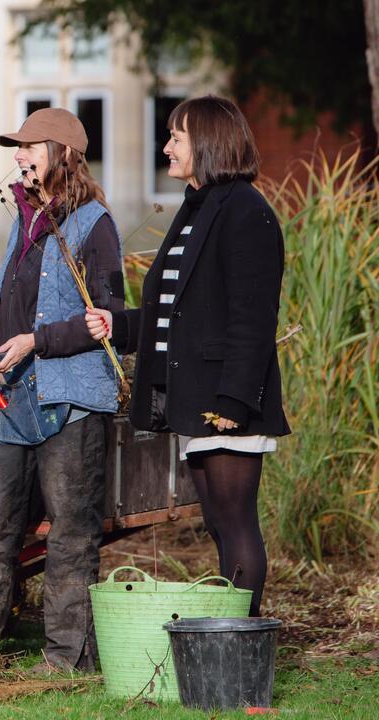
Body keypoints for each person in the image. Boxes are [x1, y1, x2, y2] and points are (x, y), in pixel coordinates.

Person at [0, 108, 125, 673]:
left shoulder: (96, 225)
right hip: (12, 398)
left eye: (29, 147)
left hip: (71, 402)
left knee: (70, 534)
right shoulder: (26, 216)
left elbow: (109, 316)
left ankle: (67, 659)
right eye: (16, 148)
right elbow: (18, 301)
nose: (18, 156)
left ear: (62, 153)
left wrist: (36, 341)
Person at [86, 95, 289, 617]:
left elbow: (253, 318)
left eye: (176, 136)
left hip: (226, 400)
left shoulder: (245, 210)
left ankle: (236, 644)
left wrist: (233, 402)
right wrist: (122, 325)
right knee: (220, 522)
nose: (166, 146)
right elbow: (178, 309)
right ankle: (226, 640)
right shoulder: (199, 207)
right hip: (199, 394)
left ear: (207, 142)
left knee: (234, 520)